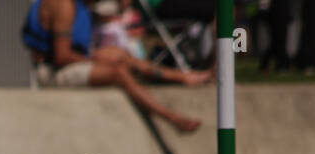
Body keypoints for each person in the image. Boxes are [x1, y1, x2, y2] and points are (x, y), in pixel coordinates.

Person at [22, 0, 208, 134]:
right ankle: (170, 117)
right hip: (52, 72)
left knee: (119, 55)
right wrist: (98, 62)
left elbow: (117, 10)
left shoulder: (82, 6)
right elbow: (62, 57)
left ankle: (184, 76)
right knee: (118, 72)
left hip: (71, 61)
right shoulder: (63, 5)